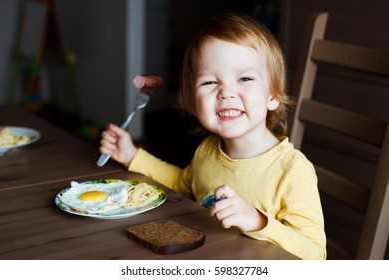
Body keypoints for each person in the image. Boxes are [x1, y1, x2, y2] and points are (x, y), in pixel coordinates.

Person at [99, 12, 326, 260]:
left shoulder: (293, 171)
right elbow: (181, 184)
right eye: (209, 83)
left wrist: (260, 222)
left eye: (245, 78)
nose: (226, 92)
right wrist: (132, 156)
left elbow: (315, 255)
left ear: (272, 95)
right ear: (193, 101)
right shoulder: (207, 152)